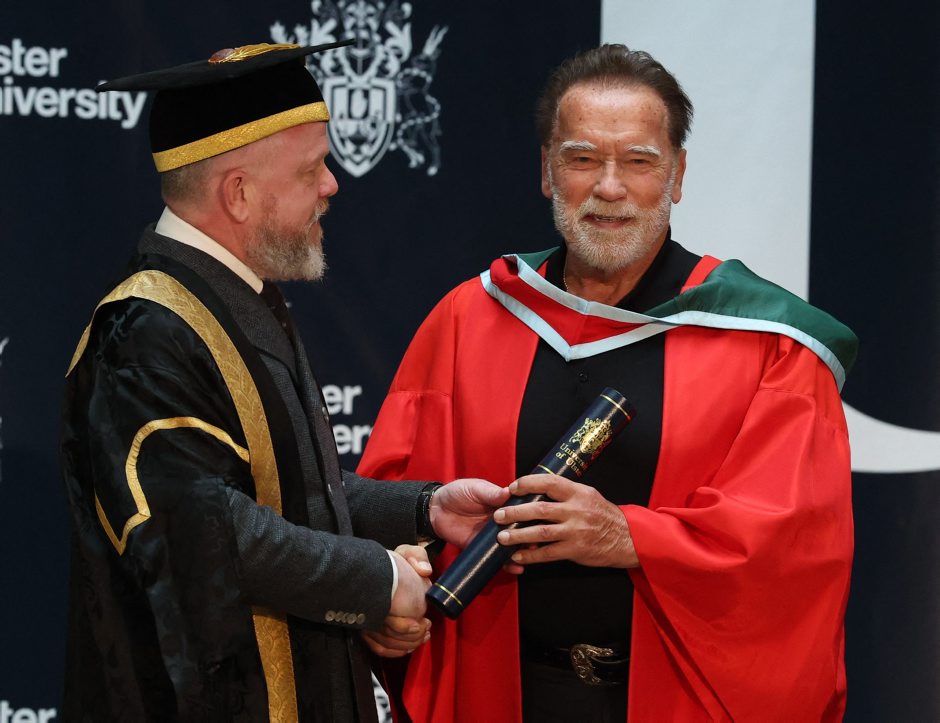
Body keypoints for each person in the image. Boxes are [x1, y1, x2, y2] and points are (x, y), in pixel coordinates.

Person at [358, 44, 857, 722]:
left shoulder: (769, 345)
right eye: (583, 158)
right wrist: (391, 585)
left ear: (677, 175)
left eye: (639, 161)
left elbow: (792, 556)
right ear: (547, 170)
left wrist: (628, 537)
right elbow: (395, 498)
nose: (610, 187)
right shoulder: (470, 318)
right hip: (496, 693)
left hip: (676, 702)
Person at [60, 41, 511, 723]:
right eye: (311, 168)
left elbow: (290, 490)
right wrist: (378, 578)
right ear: (238, 193)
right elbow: (209, 533)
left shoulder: (236, 295)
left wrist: (425, 509)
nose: (332, 184)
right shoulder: (143, 333)